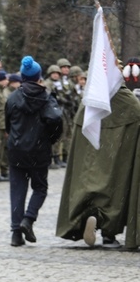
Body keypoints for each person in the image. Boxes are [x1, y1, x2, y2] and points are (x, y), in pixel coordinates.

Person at [56, 83, 140, 249]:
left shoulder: (90, 96)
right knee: (116, 188)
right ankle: (109, 233)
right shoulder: (128, 100)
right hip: (117, 150)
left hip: (92, 151)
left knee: (88, 184)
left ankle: (89, 216)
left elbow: (80, 122)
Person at [6, 56, 62, 247]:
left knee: (17, 191)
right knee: (40, 188)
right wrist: (50, 139)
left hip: (17, 150)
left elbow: (8, 124)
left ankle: (16, 233)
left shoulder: (13, 98)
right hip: (39, 151)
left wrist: (16, 139)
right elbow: (56, 120)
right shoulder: (46, 98)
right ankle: (28, 220)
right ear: (39, 76)